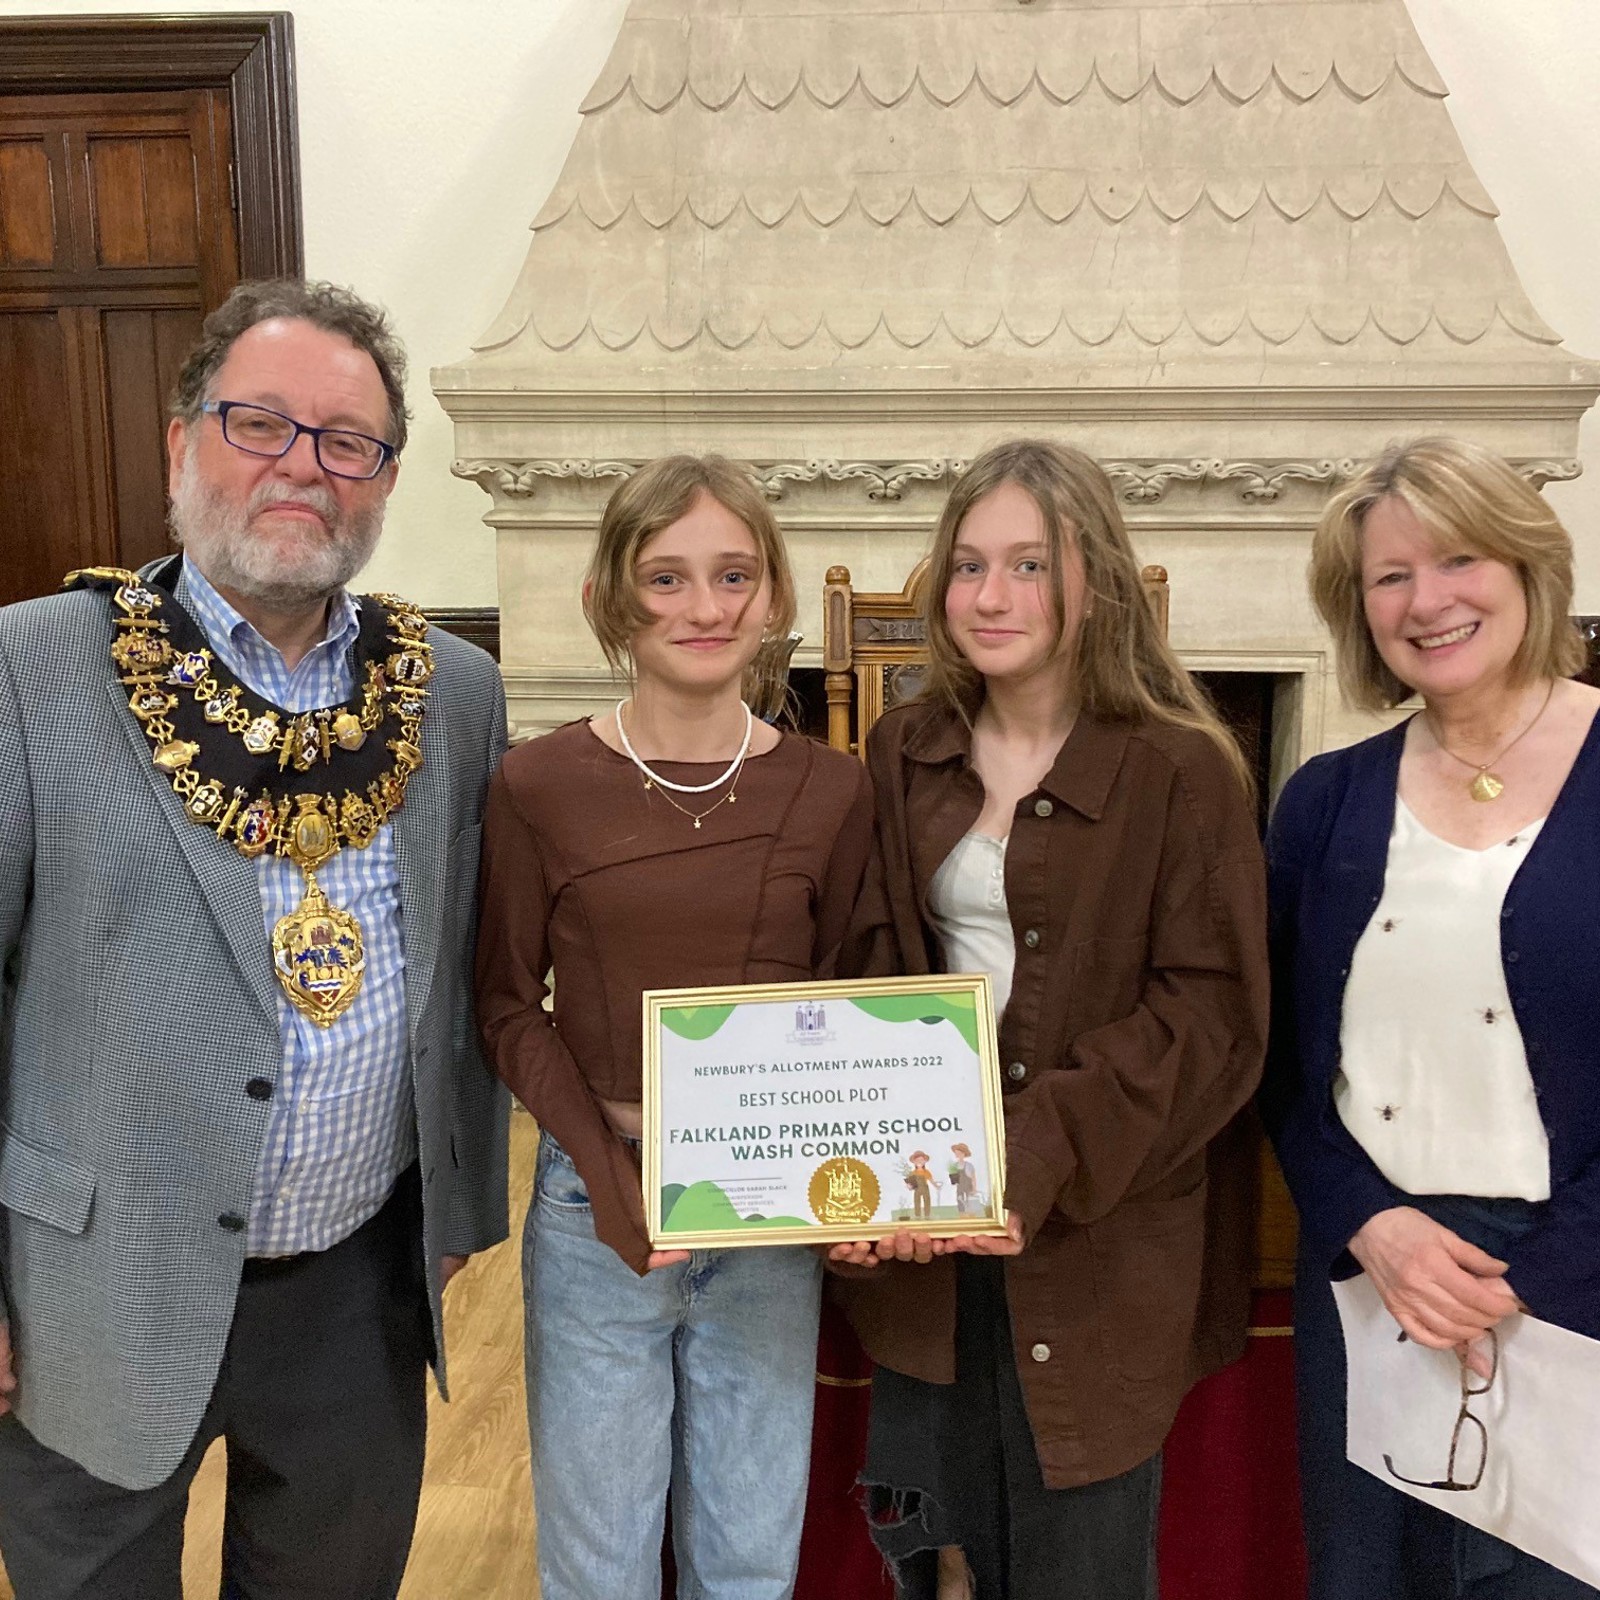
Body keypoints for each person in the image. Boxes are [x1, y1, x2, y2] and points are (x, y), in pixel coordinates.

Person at [0, 279, 509, 1600]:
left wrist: (457, 1198)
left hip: (357, 1291)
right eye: (263, 424)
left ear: (386, 479)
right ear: (181, 444)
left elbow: (465, 965)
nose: (307, 467)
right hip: (97, 1289)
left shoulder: (452, 695)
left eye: (349, 441)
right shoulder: (29, 671)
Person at [833, 439, 1269, 1600]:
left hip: (1097, 1230)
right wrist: (864, 1169)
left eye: (1030, 564)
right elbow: (871, 970)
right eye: (969, 565)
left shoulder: (1184, 771)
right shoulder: (901, 750)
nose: (990, 596)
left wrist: (1022, 1158)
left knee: (1079, 1565)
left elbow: (1209, 1017)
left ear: (1098, 580)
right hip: (924, 1230)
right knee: (934, 1554)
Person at [475, 454, 874, 1600]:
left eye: (733, 575)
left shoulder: (831, 791)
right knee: (598, 1564)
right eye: (666, 577)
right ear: (609, 597)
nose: (703, 608)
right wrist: (606, 1176)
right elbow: (505, 1001)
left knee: (749, 1557)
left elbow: (848, 1005)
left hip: (768, 1214)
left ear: (773, 597)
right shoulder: (538, 784)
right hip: (594, 1201)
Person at [1262, 437, 1600, 1600]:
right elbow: (1281, 1068)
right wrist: (1372, 1226)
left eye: (1458, 558)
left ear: (1524, 565)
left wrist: (1529, 1280)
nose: (1428, 599)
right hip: (1372, 1283)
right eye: (1389, 576)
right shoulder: (1323, 801)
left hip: (1580, 1286)